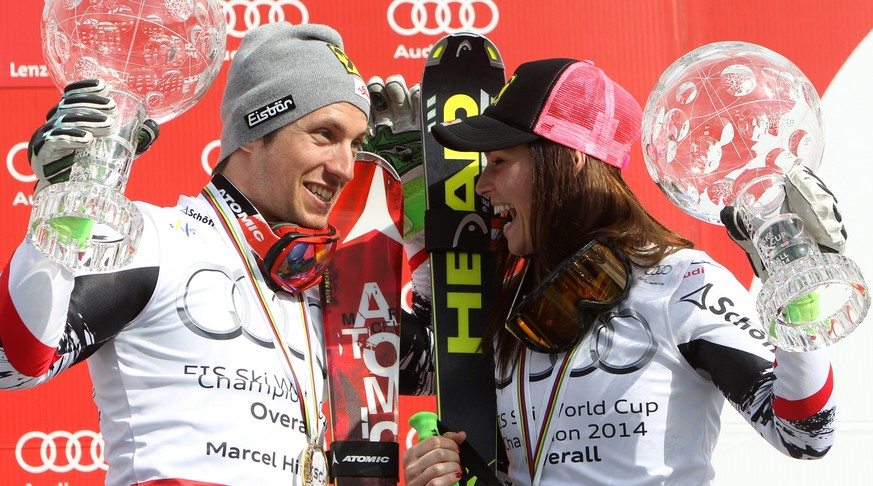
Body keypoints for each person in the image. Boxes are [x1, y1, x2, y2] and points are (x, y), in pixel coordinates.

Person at [0, 22, 432, 485]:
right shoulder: (156, 239)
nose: (346, 168)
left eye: (357, 144)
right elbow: (13, 363)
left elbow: (438, 367)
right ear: (253, 130)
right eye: (324, 135)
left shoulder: (325, 282)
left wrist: (418, 206)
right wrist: (62, 209)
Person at [402, 58, 840, 485]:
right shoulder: (514, 296)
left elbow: (805, 433)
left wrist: (797, 281)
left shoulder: (679, 282)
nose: (481, 185)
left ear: (569, 159)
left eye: (499, 162)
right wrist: (420, 208)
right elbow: (416, 372)